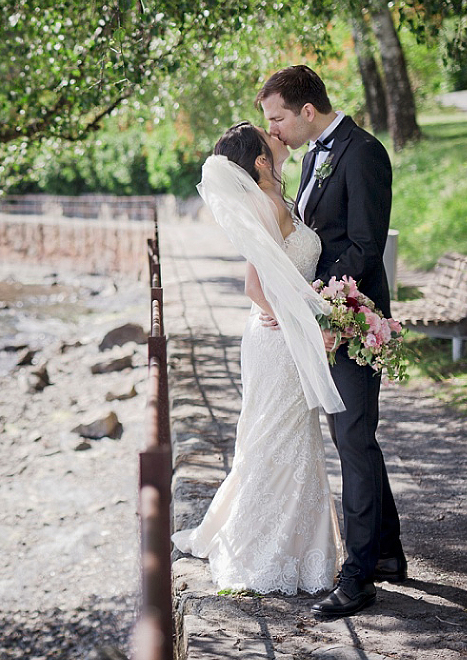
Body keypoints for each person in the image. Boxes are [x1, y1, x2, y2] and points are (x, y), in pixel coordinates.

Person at [172, 123, 345, 596]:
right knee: (277, 437)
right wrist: (304, 323)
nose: (278, 138)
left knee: (281, 435)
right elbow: (254, 286)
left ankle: (294, 550)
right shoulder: (265, 206)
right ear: (262, 161)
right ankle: (263, 550)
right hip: (277, 338)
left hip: (277, 336)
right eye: (269, 140)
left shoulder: (273, 201)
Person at [258, 65, 405, 619]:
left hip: (352, 316)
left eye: (278, 118)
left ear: (307, 112)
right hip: (328, 316)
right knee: (355, 437)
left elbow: (365, 247)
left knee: (354, 440)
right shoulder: (317, 152)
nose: (274, 129)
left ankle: (359, 578)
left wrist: (318, 301)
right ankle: (386, 555)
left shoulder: (362, 152)